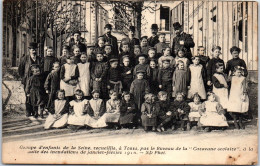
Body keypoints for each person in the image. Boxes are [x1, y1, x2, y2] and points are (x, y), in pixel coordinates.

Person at [18, 42, 43, 118]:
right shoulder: (25, 59)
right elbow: (20, 69)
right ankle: (28, 111)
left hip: (37, 81)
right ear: (29, 50)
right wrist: (24, 78)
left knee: (36, 96)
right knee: (28, 95)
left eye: (35, 49)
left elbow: (41, 69)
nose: (34, 51)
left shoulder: (39, 59)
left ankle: (35, 111)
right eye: (32, 50)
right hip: (28, 80)